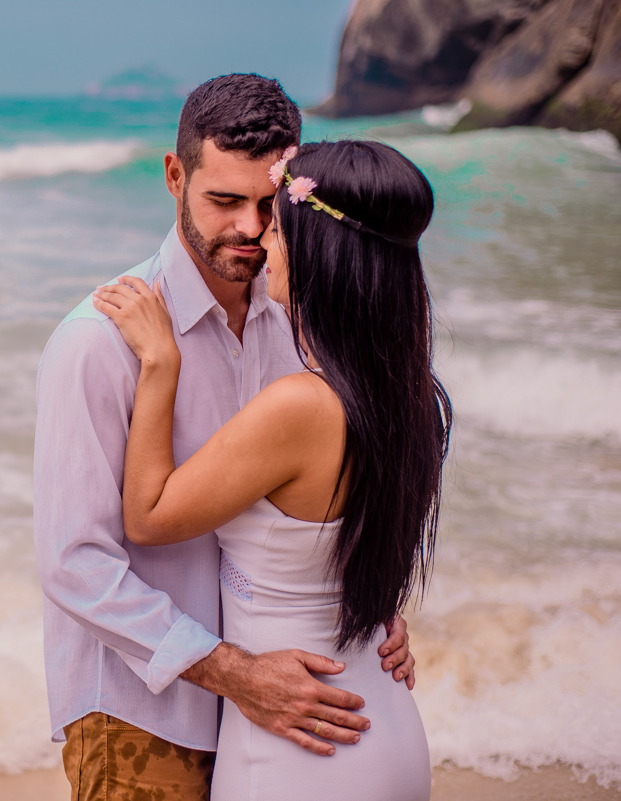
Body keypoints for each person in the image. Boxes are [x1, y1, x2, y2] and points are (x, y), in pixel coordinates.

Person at [33, 74, 416, 801]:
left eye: (268, 205)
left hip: (290, 706)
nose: (248, 227)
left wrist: (370, 601)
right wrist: (233, 671)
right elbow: (73, 562)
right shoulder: (97, 343)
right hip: (148, 711)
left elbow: (329, 494)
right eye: (223, 200)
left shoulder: (303, 323)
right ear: (175, 177)